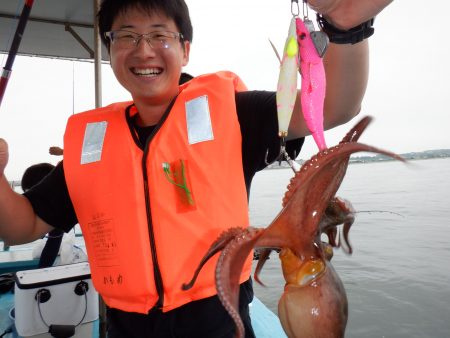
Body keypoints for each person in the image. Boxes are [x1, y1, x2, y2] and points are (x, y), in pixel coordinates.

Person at [0, 0, 393, 336]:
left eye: (159, 35)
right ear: (110, 49)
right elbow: (22, 225)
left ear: (185, 49)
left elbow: (332, 108)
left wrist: (345, 26)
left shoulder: (234, 114)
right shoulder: (92, 148)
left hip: (222, 326)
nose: (144, 50)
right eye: (126, 36)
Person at [21, 163, 65, 268]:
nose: (33, 205)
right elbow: (53, 243)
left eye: (34, 199)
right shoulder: (55, 209)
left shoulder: (72, 203)